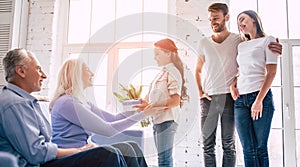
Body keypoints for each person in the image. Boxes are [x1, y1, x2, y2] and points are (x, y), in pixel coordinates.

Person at [0, 48, 127, 167]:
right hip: (38, 164)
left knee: (125, 148)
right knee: (107, 154)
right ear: (21, 71)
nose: (44, 75)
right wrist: (78, 150)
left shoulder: (22, 101)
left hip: (45, 160)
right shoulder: (15, 104)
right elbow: (37, 153)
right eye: (38, 69)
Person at [195, 3, 282, 167]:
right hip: (225, 99)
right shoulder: (223, 43)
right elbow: (240, 69)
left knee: (240, 146)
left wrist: (278, 49)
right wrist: (202, 91)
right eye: (210, 19)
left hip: (243, 98)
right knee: (219, 146)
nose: (212, 22)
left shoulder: (244, 39)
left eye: (216, 18)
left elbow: (265, 63)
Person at [50, 58, 149, 167]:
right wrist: (145, 114)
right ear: (76, 75)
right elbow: (107, 130)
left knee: (131, 147)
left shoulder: (82, 102)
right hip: (66, 158)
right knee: (108, 152)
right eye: (87, 70)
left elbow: (113, 119)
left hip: (82, 153)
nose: (92, 74)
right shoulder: (66, 103)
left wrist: (137, 109)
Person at [229, 10, 278, 167]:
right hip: (240, 100)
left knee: (260, 148)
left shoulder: (268, 41)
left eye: (242, 19)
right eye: (238, 22)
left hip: (260, 97)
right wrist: (233, 84)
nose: (240, 24)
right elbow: (242, 71)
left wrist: (259, 100)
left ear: (254, 19)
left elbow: (271, 72)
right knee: (247, 149)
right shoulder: (242, 46)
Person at [134, 38, 188, 167]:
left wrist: (152, 106)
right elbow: (154, 98)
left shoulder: (173, 71)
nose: (155, 58)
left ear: (168, 53)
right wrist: (144, 103)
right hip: (159, 121)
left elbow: (175, 101)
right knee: (162, 159)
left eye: (157, 54)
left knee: (164, 160)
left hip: (167, 121)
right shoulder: (162, 73)